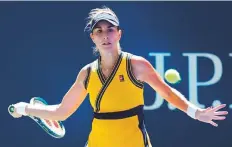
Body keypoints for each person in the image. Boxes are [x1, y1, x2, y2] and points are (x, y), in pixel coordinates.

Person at [10, 6, 228, 147]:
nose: (106, 35)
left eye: (110, 29)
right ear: (92, 38)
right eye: (99, 31)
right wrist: (24, 108)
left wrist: (196, 112)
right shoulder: (86, 73)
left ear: (119, 33)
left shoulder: (137, 65)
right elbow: (61, 112)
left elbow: (168, 93)